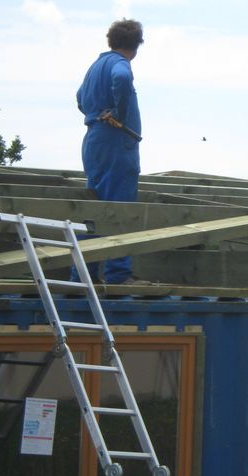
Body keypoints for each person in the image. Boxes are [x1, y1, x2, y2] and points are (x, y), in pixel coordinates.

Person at [73, 19, 149, 285]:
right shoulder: (120, 64)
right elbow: (122, 79)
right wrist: (118, 114)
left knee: (95, 208)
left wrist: (96, 114)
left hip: (94, 140)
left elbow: (80, 97)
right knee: (120, 208)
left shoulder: (96, 66)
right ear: (137, 45)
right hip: (116, 142)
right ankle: (119, 274)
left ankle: (84, 276)